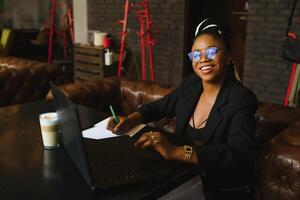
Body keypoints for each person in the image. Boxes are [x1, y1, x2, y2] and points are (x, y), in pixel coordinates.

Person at [107, 18, 258, 200]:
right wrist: (131, 120)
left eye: (211, 51)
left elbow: (240, 156)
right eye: (196, 54)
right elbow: (158, 107)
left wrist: (175, 152)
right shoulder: (191, 84)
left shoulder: (241, 98)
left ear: (228, 57)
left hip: (216, 187)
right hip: (182, 177)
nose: (203, 59)